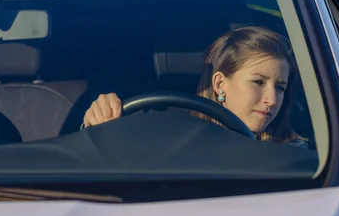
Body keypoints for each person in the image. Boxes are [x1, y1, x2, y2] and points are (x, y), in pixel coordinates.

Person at [82, 26, 308, 147]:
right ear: (220, 83)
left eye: (280, 87)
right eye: (258, 82)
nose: (272, 99)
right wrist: (100, 128)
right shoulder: (160, 135)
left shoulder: (292, 155)